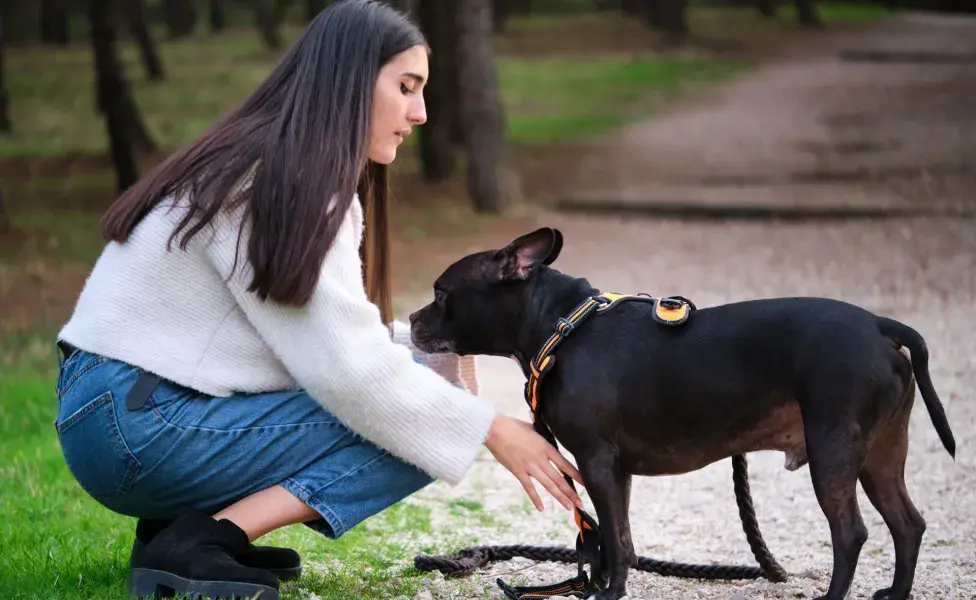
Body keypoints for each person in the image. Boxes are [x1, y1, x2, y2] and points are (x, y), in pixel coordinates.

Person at [52, 1, 583, 598]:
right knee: (425, 419)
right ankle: (204, 541)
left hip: (119, 414)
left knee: (427, 394)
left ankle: (177, 532)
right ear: (352, 80)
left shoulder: (265, 162)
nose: (421, 112)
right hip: (136, 427)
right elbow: (349, 373)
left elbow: (321, 340)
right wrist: (490, 428)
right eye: (406, 87)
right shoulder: (288, 183)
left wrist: (450, 357)